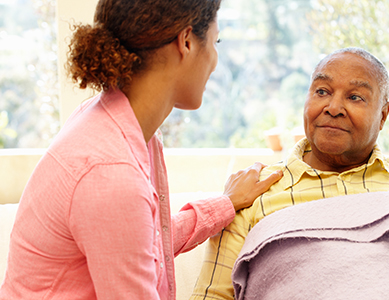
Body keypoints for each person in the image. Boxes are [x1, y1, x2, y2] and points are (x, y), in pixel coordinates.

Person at [0, 0, 282, 299]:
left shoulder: (114, 123)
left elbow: (143, 245)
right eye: (216, 41)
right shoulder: (110, 173)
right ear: (186, 42)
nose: (214, 59)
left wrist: (226, 203)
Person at [190, 47, 389, 300]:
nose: (333, 106)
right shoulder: (255, 192)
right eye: (321, 91)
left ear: (383, 115)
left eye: (355, 97)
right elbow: (212, 295)